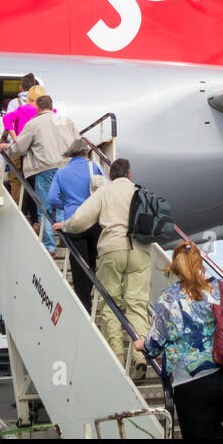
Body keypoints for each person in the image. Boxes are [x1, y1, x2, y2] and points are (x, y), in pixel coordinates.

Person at [137, 243, 223, 439]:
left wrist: (141, 345)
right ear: (200, 262)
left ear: (175, 267)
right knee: (213, 427)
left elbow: (155, 343)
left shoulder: (168, 298)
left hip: (193, 384)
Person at [60, 158, 150, 369]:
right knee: (136, 303)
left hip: (112, 249)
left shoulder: (104, 192)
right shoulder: (141, 192)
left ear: (110, 176)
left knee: (110, 303)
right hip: (140, 250)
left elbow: (80, 220)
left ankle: (118, 356)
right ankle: (141, 357)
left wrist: (64, 225)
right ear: (129, 174)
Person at [1, 94, 77, 253]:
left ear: (37, 108)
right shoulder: (67, 121)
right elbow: (78, 142)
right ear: (51, 106)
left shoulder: (33, 124)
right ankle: (66, 236)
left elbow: (20, 147)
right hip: (67, 168)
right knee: (64, 205)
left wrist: (7, 148)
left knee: (44, 208)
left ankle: (50, 246)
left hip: (45, 169)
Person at [47, 139, 106, 305]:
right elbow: (107, 190)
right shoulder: (96, 167)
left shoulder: (61, 173)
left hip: (73, 222)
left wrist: (66, 205)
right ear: (86, 152)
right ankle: (92, 288)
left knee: (79, 264)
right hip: (94, 220)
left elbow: (51, 198)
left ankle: (84, 303)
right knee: (94, 259)